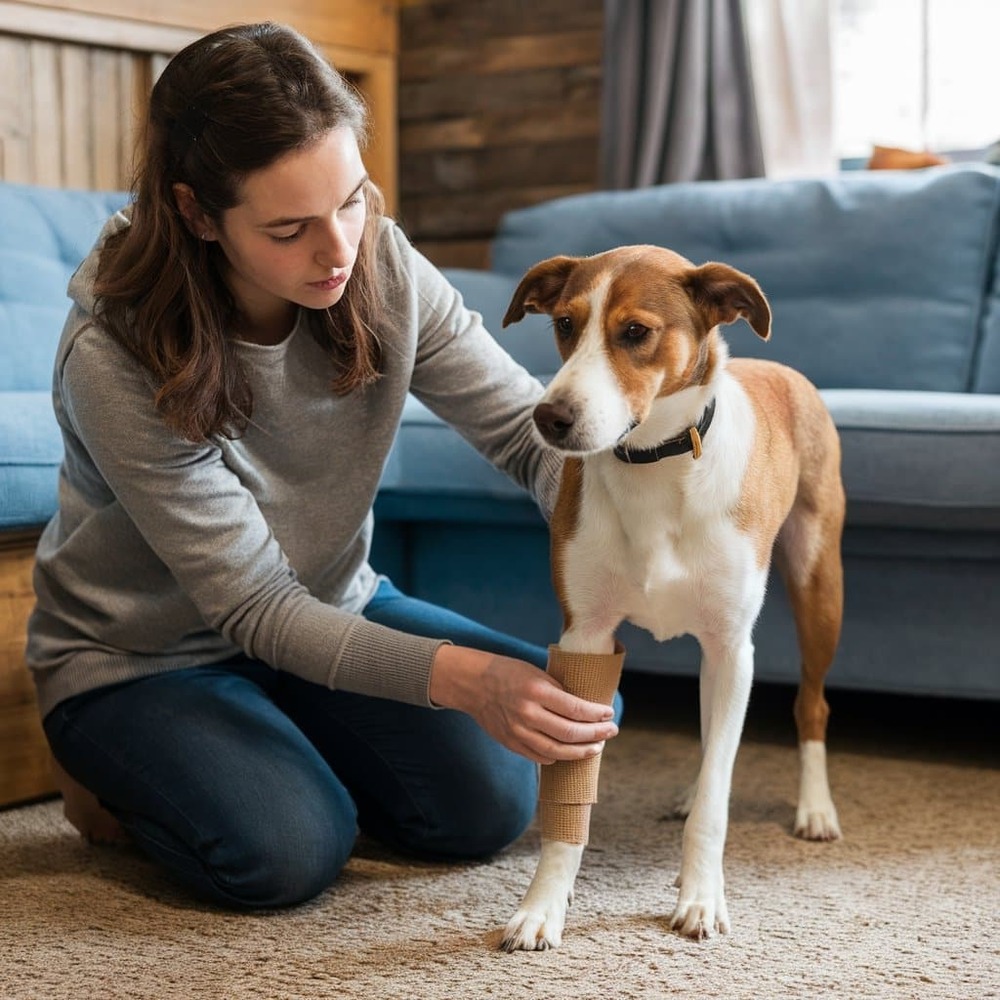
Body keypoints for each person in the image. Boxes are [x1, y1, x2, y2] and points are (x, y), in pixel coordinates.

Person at [27, 21, 621, 909]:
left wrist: (627, 523)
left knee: (525, 765)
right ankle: (111, 778)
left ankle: (287, 738)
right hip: (146, 657)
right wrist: (466, 679)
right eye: (289, 228)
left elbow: (520, 432)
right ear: (197, 213)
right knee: (290, 851)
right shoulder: (113, 350)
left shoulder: (381, 263)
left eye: (351, 201)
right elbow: (256, 606)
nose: (339, 250)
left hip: (334, 605)